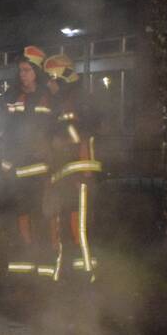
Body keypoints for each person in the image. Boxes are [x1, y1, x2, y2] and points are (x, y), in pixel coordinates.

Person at [0, 45, 56, 279]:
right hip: (19, 168)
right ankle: (27, 254)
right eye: (20, 70)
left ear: (36, 72)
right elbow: (6, 130)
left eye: (26, 70)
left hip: (43, 168)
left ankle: (49, 258)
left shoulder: (48, 95)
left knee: (44, 212)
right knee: (22, 212)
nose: (22, 74)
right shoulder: (12, 97)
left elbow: (55, 128)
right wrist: (5, 163)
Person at [44, 53, 102, 282]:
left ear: (61, 78)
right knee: (69, 227)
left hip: (79, 178)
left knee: (80, 229)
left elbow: (79, 136)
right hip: (68, 177)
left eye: (51, 78)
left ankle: (88, 276)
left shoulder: (76, 101)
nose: (48, 83)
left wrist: (82, 176)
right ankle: (73, 275)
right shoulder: (64, 101)